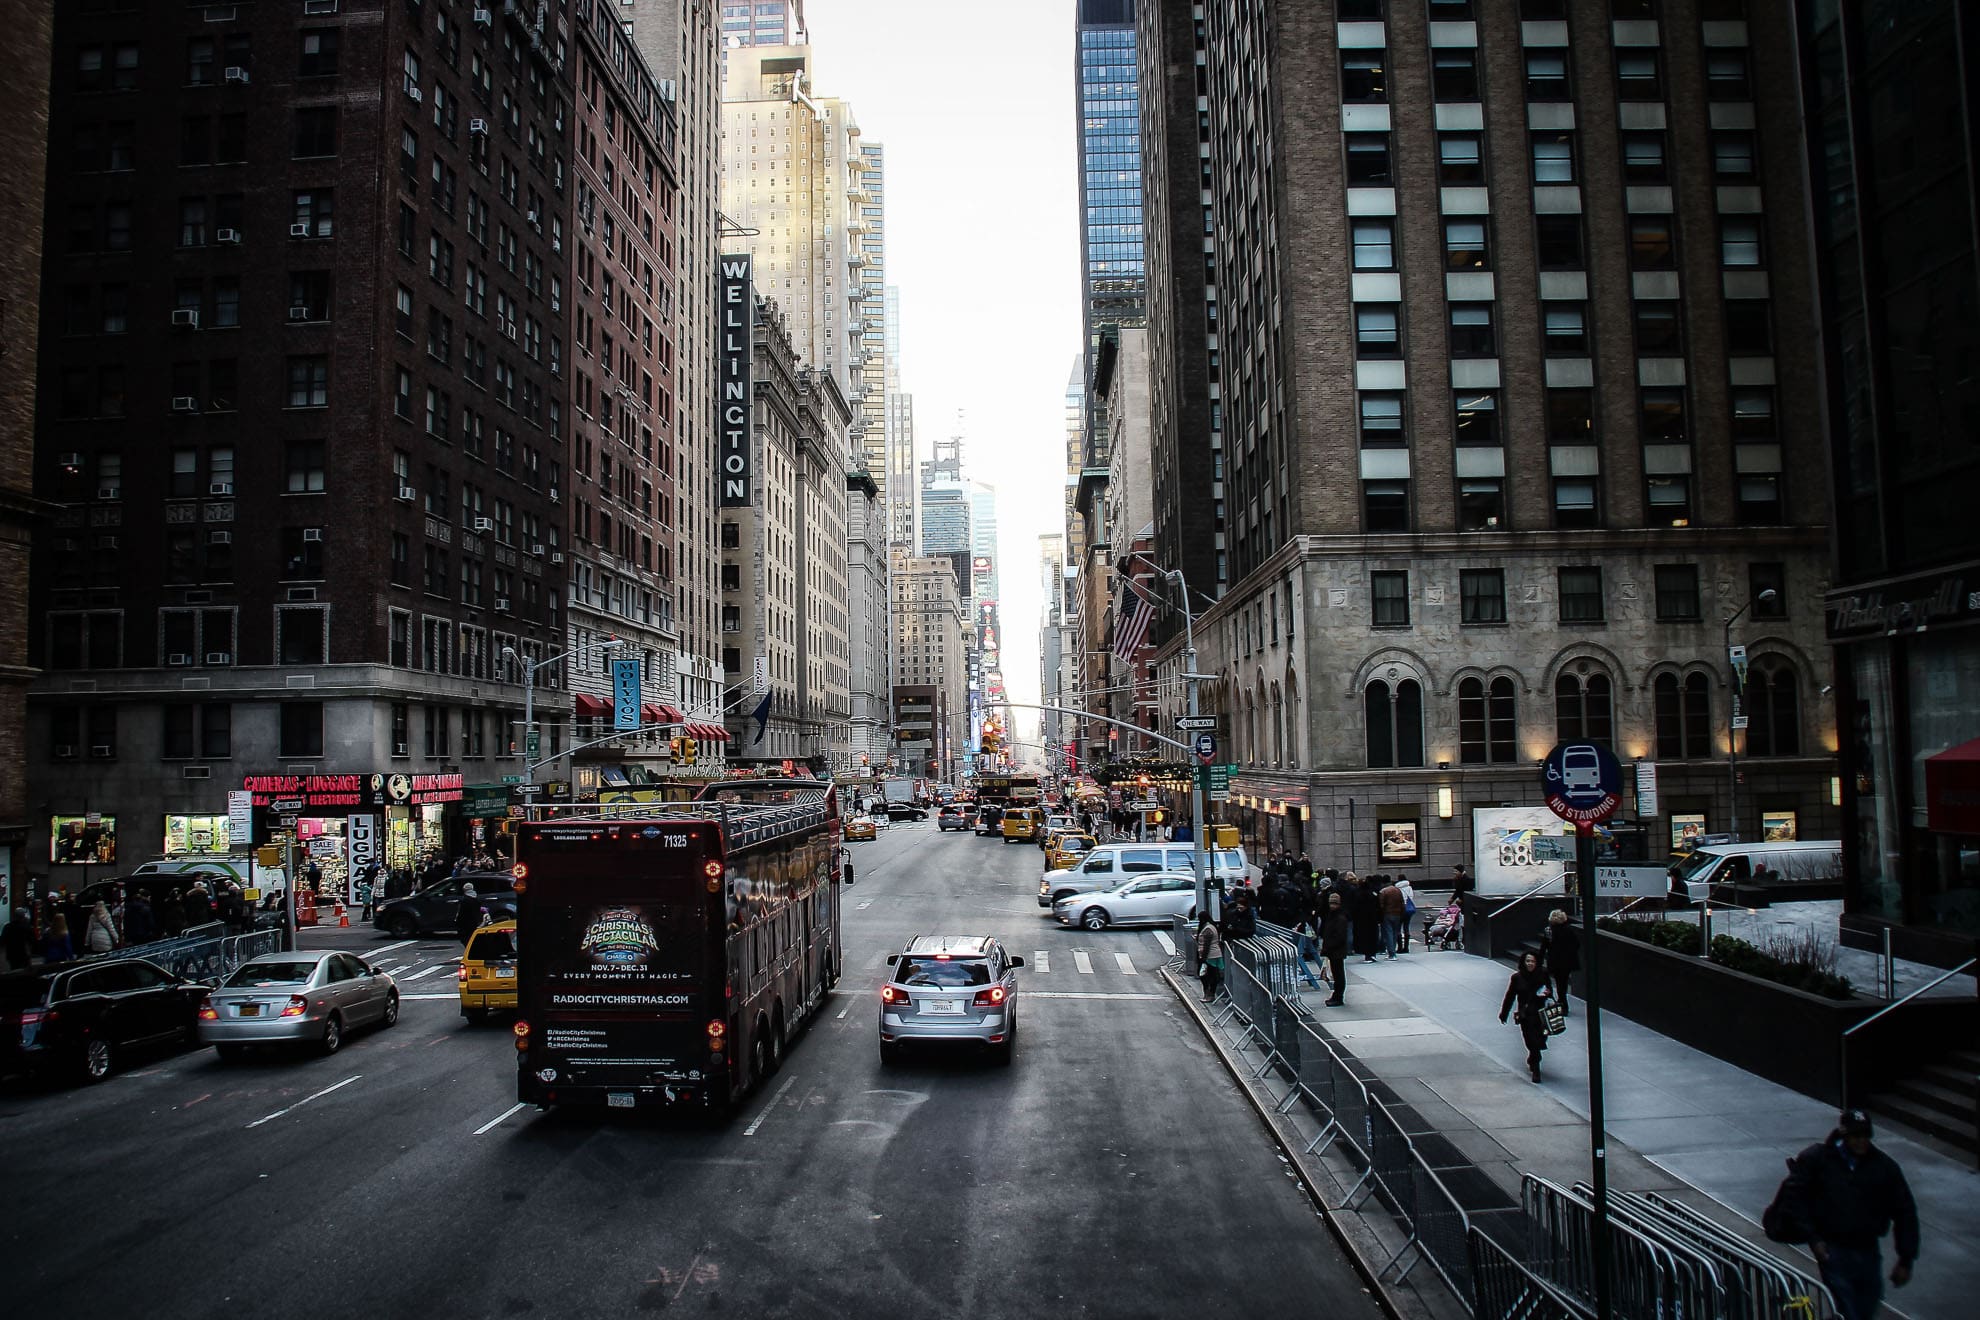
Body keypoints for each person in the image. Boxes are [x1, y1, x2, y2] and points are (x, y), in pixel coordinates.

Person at [1784, 1108, 1919, 1320]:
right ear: (1845, 1135)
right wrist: (1814, 1238)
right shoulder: (1819, 1159)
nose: (1861, 1142)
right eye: (1856, 1136)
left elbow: (1905, 1211)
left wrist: (1906, 1258)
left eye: (1865, 1136)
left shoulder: (1883, 1167)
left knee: (1865, 1306)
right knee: (1848, 1308)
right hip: (1834, 1247)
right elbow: (1796, 1198)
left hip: (1867, 1248)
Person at [1498, 951, 1553, 1083]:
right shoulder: (1517, 978)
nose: (1530, 964)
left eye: (1533, 961)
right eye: (1528, 961)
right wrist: (1504, 1013)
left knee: (1540, 1039)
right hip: (1526, 1015)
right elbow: (1510, 995)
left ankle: (1534, 1057)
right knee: (1530, 1040)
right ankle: (1536, 1067)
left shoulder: (1543, 974)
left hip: (1540, 1013)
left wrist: (1546, 994)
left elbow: (1549, 990)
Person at [1539, 909, 1581, 1012]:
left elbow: (1544, 946)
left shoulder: (1549, 930)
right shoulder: (1569, 930)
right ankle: (1563, 1002)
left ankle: (1562, 1002)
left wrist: (1540, 959)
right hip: (1567, 961)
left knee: (1558, 982)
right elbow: (1576, 944)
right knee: (1564, 981)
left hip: (1554, 960)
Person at [1319, 892, 1349, 1006]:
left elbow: (1340, 937)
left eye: (1334, 903)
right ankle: (1337, 995)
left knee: (1338, 974)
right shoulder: (1332, 916)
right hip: (1333, 950)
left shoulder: (1340, 918)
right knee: (1337, 973)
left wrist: (1328, 947)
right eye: (1331, 903)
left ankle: (1338, 996)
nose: (1332, 906)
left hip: (1336, 950)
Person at [1195, 916, 1225, 1002]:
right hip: (1212, 954)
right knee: (1210, 974)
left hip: (1210, 956)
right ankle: (1209, 994)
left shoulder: (1208, 929)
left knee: (1206, 975)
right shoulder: (1211, 927)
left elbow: (1207, 945)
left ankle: (1209, 994)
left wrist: (1203, 958)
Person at [1378, 877, 1406, 959]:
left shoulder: (1383, 891)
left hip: (1387, 914)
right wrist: (1402, 913)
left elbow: (1381, 905)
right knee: (1394, 933)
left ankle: (1391, 953)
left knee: (1388, 933)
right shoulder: (1398, 890)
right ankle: (1393, 951)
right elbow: (1402, 903)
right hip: (1397, 914)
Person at [1394, 872, 1417, 952]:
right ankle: (1406, 947)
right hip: (1409, 909)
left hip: (1400, 909)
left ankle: (1400, 947)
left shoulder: (1397, 888)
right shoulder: (1409, 887)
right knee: (1406, 927)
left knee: (1398, 928)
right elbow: (1411, 897)